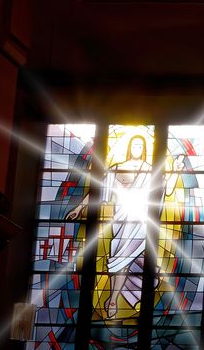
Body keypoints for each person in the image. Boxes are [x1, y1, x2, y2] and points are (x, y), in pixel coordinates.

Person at [66, 134, 154, 318]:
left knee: (127, 260)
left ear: (144, 149)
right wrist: (80, 208)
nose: (137, 148)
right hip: (120, 220)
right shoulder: (116, 169)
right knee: (118, 259)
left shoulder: (151, 170)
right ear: (130, 147)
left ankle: (114, 299)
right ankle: (114, 298)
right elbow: (98, 190)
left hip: (140, 222)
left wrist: (177, 170)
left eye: (141, 145)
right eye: (135, 145)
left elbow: (162, 191)